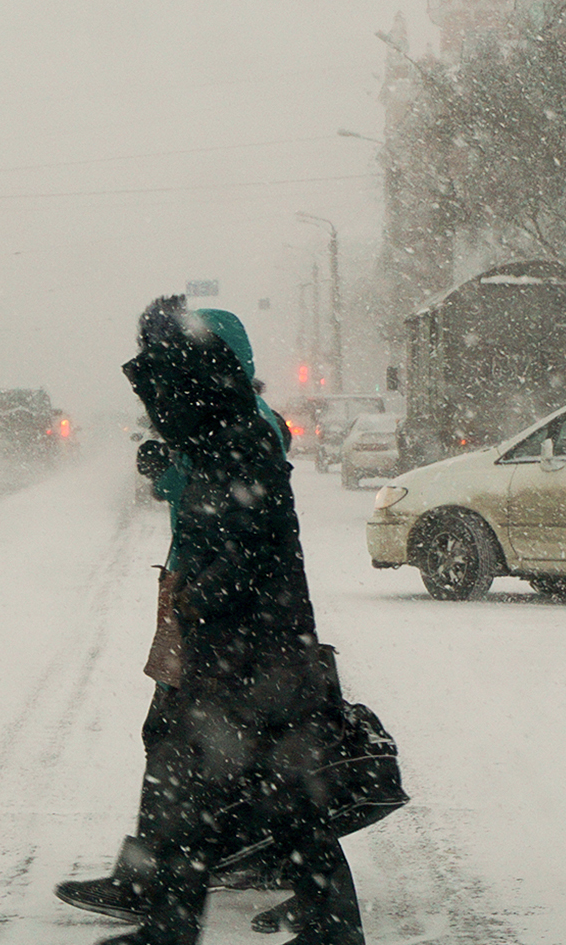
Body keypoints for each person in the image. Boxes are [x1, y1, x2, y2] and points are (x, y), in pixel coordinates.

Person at [82, 296, 362, 945]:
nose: (157, 400)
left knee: (211, 778)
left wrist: (202, 598)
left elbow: (248, 543)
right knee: (256, 787)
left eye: (164, 378)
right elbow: (220, 528)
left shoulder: (243, 432)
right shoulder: (215, 431)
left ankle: (175, 921)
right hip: (245, 642)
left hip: (250, 646)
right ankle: (305, 926)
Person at [56, 305, 300, 929]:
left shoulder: (245, 423)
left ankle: (155, 884)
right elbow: (199, 491)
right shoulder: (225, 420)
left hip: (226, 612)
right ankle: (275, 866)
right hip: (206, 597)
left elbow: (238, 518)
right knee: (223, 745)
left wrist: (206, 595)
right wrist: (165, 471)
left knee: (179, 741)